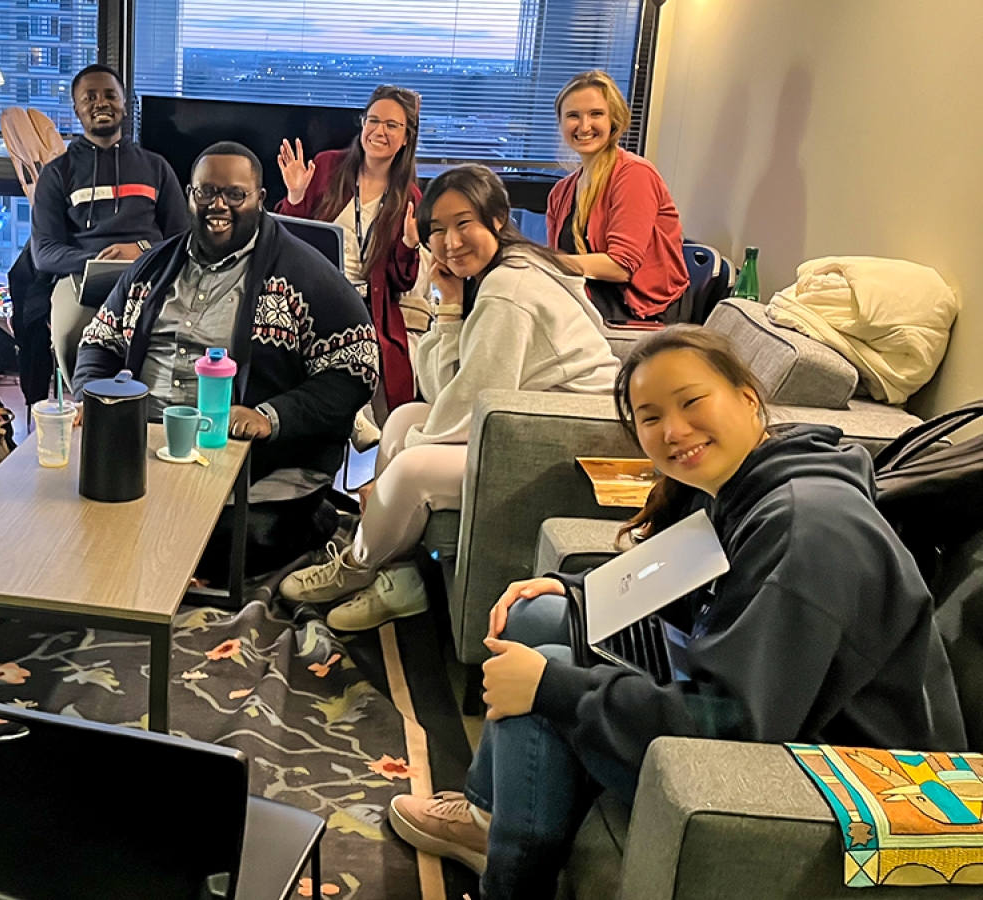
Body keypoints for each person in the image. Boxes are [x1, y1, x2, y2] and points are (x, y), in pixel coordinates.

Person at [386, 326, 967, 899]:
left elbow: (735, 725)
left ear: (747, 396)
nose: (673, 430)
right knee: (536, 618)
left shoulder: (805, 529)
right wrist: (576, 592)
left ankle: (512, 879)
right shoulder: (745, 483)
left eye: (692, 402)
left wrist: (553, 689)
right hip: (765, 701)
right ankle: (492, 819)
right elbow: (674, 588)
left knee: (545, 673)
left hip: (834, 774)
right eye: (650, 416)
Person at [281, 165, 618, 631]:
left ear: (497, 219)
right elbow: (442, 392)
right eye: (437, 229)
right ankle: (398, 577)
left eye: (464, 223)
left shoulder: (508, 289)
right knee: (401, 420)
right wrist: (451, 306)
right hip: (524, 422)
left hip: (568, 441)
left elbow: (472, 405)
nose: (450, 242)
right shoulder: (491, 275)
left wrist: (404, 463)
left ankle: (357, 564)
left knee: (411, 466)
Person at [74, 141, 378, 580]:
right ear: (189, 195)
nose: (219, 206)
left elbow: (355, 371)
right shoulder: (152, 268)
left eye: (235, 195)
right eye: (206, 193)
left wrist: (270, 417)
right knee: (68, 515)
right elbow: (98, 340)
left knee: (227, 543)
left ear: (259, 198)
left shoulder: (306, 276)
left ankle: (312, 521)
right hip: (145, 451)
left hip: (249, 468)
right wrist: (92, 399)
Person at [33, 63, 190, 379]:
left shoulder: (157, 167)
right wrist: (98, 261)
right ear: (76, 109)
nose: (100, 103)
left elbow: (185, 239)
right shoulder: (56, 174)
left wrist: (141, 251)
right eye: (89, 97)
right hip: (81, 278)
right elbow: (44, 252)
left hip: (151, 273)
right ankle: (85, 413)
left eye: (109, 95)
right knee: (68, 335)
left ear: (124, 105)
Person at [276, 85, 423, 412]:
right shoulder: (327, 167)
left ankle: (353, 418)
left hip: (366, 306)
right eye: (373, 121)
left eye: (392, 125)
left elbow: (403, 281)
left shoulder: (409, 197)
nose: (379, 131)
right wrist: (296, 197)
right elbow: (287, 239)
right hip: (312, 292)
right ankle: (353, 420)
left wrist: (409, 245)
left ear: (406, 137)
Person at [546, 70, 688, 322]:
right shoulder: (561, 192)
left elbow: (620, 267)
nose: (584, 126)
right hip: (586, 299)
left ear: (614, 119)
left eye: (596, 114)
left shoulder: (634, 174)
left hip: (638, 311)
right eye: (573, 116)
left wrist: (546, 264)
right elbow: (557, 260)